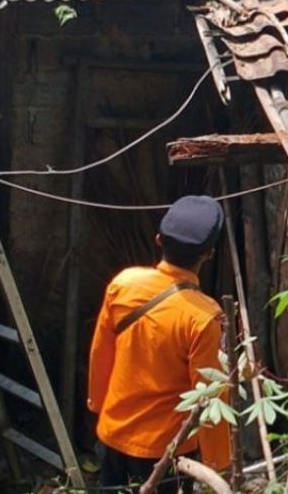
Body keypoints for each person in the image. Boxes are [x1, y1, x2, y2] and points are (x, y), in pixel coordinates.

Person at [88, 195, 232, 491]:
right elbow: (209, 394)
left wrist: (98, 405)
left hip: (112, 433)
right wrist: (219, 463)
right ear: (210, 254)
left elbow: (100, 354)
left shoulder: (124, 284)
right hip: (164, 451)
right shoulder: (203, 316)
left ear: (158, 240)